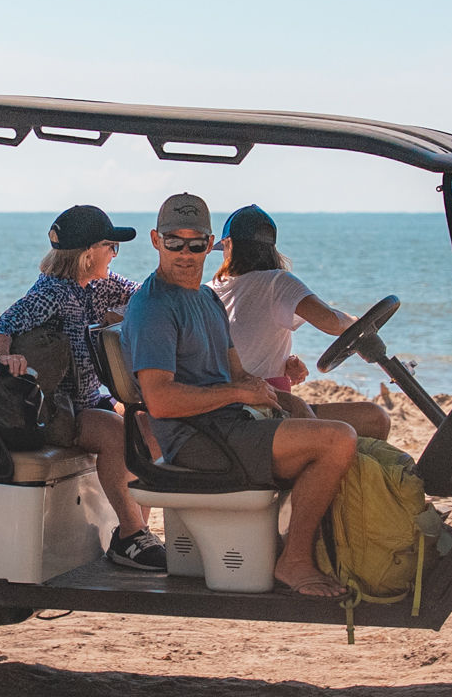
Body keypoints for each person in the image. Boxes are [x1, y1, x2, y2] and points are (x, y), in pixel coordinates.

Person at [119, 193, 357, 598]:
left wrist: (271, 394)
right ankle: (294, 560)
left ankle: (337, 551)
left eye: (196, 244)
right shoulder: (155, 307)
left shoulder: (207, 298)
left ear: (212, 244)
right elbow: (160, 401)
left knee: (329, 425)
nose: (186, 253)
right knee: (337, 440)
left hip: (227, 425)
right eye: (175, 242)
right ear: (157, 240)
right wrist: (237, 393)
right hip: (198, 441)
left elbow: (236, 371)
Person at [0, 205, 166, 571]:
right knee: (116, 431)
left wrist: (130, 314)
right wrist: (6, 358)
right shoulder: (52, 292)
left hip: (86, 401)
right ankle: (131, 535)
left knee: (149, 424)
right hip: (54, 409)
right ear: (88, 255)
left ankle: (137, 532)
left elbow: (147, 294)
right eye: (111, 247)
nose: (115, 255)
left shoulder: (96, 285)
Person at [208, 204, 391, 441]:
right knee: (375, 418)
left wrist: (284, 363)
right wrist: (355, 322)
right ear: (271, 248)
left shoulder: (209, 292)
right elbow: (331, 321)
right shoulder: (276, 282)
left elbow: (246, 341)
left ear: (229, 245)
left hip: (228, 409)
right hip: (263, 412)